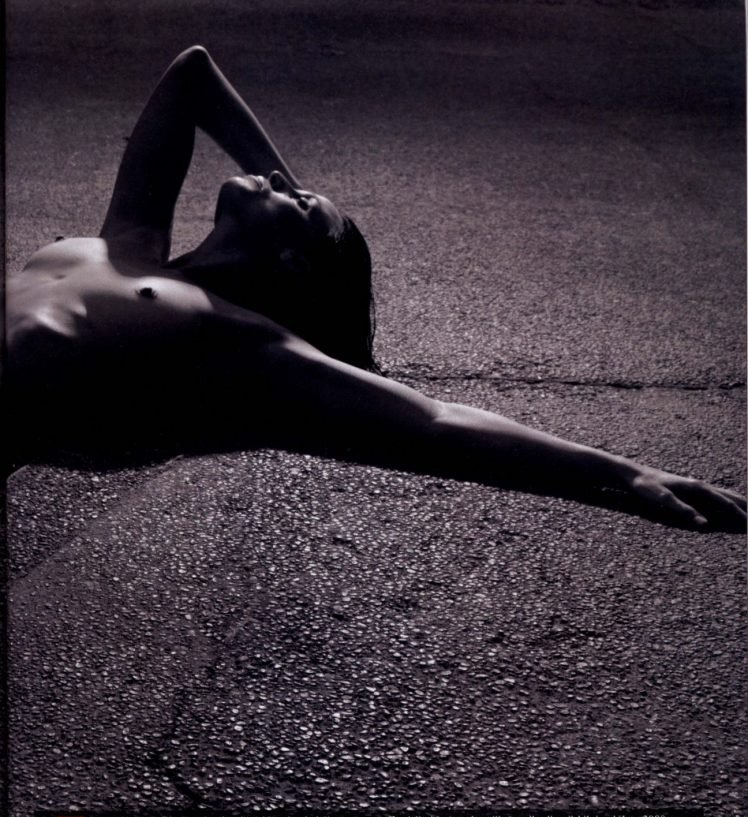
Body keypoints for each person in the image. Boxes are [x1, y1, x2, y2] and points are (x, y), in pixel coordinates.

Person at [6, 46, 745, 531]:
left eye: (298, 202)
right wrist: (288, 189)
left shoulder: (238, 345)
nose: (278, 180)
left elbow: (436, 421)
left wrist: (624, 472)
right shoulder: (131, 245)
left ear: (292, 263)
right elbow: (191, 74)